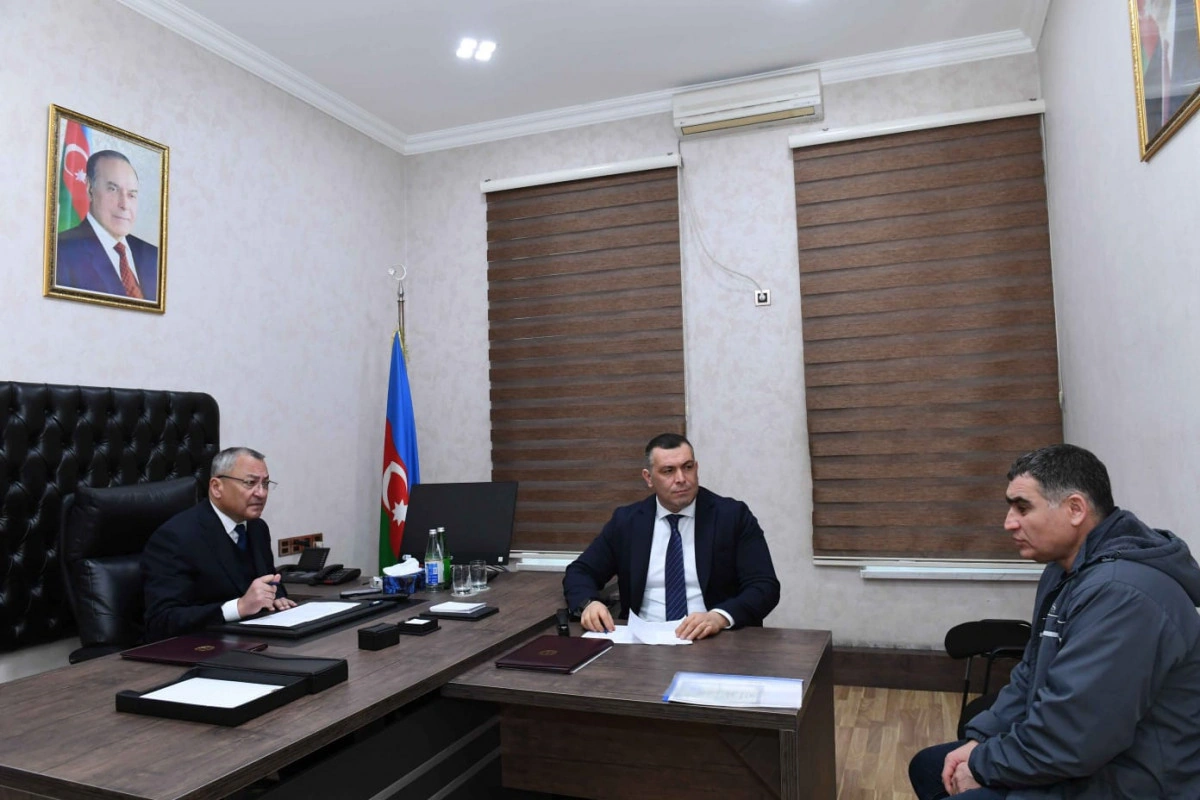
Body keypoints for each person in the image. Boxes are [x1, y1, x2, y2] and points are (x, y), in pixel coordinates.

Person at [909, 444, 1200, 799]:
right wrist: (981, 740)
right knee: (928, 766)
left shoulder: (1122, 595)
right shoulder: (1063, 570)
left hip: (1133, 778)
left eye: (1023, 508)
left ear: (1075, 509)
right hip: (1082, 758)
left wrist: (982, 764)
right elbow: (1030, 673)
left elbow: (1075, 739)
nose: (1008, 523)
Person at [563, 432, 780, 640]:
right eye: (668, 471)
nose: (681, 478)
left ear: (696, 468)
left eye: (687, 467)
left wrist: (719, 617)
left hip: (713, 640)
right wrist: (589, 604)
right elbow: (580, 571)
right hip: (641, 642)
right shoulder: (627, 522)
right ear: (648, 478)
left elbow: (764, 586)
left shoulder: (732, 517)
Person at [142, 447, 295, 641]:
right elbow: (162, 620)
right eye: (250, 483)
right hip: (200, 647)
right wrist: (238, 607)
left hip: (253, 640)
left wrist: (277, 597)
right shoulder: (176, 537)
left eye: (265, 483)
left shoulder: (257, 528)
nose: (261, 493)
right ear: (216, 487)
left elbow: (268, 580)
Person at [55, 150, 160, 302]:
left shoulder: (154, 256)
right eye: (113, 189)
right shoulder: (61, 252)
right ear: (90, 189)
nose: (124, 205)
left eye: (131, 195)